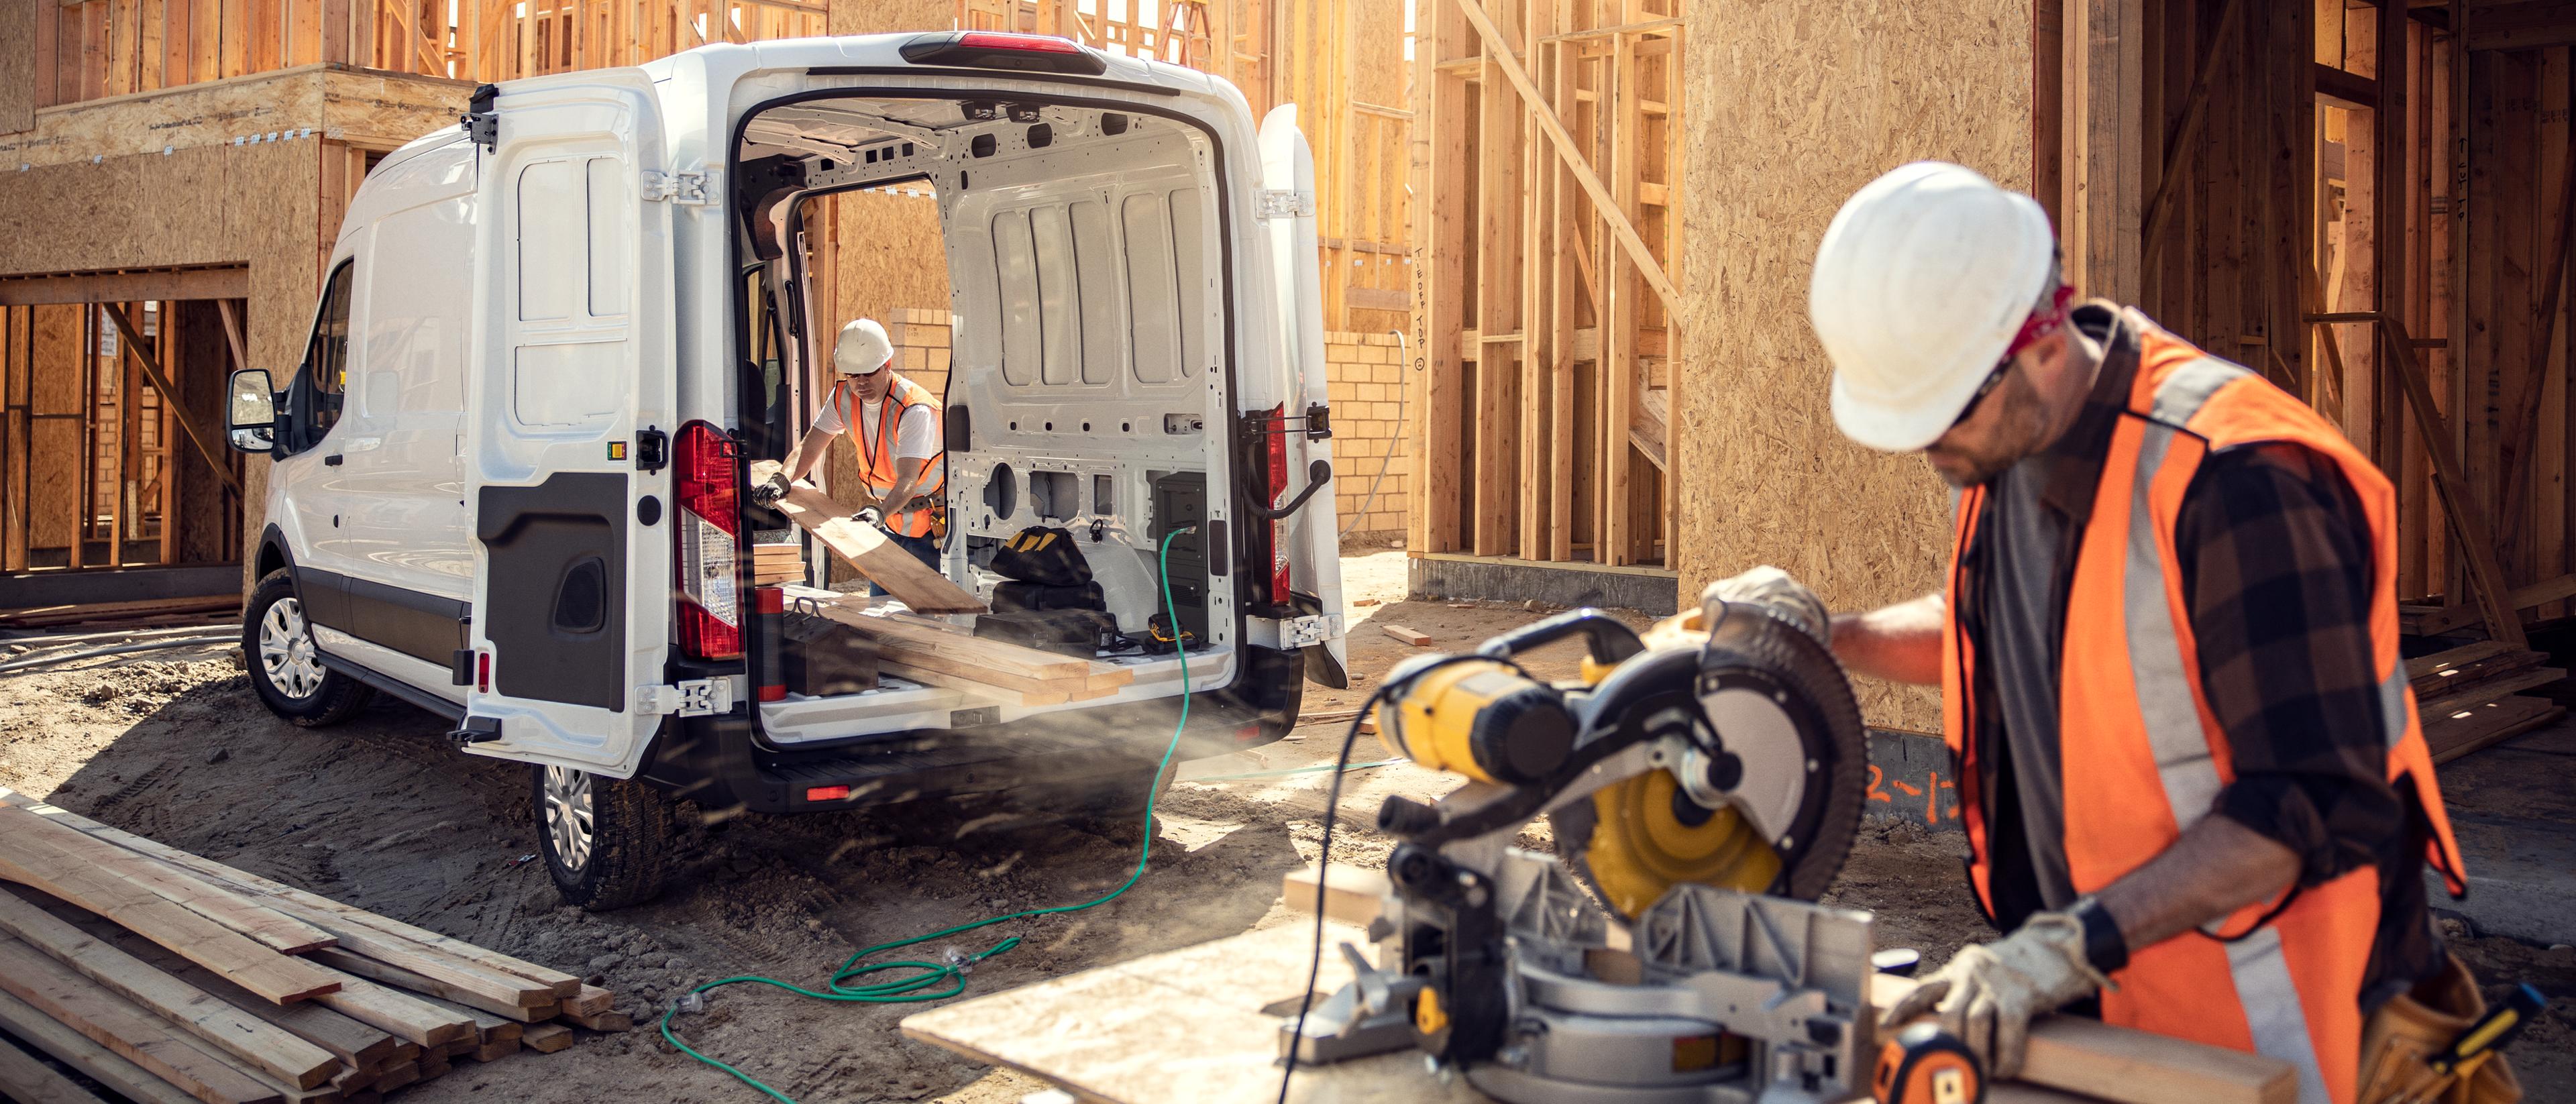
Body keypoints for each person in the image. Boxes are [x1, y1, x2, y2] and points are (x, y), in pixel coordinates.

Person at [1776, 162, 2513, 1104]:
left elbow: (2311, 800)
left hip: (2293, 1041)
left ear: (2038, 340)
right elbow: (1992, 635)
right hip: (2122, 1021)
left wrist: (2065, 947)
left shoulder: (2238, 483)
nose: (1931, 449)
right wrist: (1826, 634)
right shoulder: (2014, 444)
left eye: (1942, 411)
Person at [759, 318, 945, 581]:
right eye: (852, 374)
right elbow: (810, 446)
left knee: (927, 615)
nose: (860, 383)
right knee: (881, 610)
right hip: (889, 523)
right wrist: (782, 478)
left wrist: (878, 512)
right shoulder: (843, 397)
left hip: (929, 529)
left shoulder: (913, 408)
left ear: (887, 366)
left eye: (868, 373)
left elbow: (908, 480)